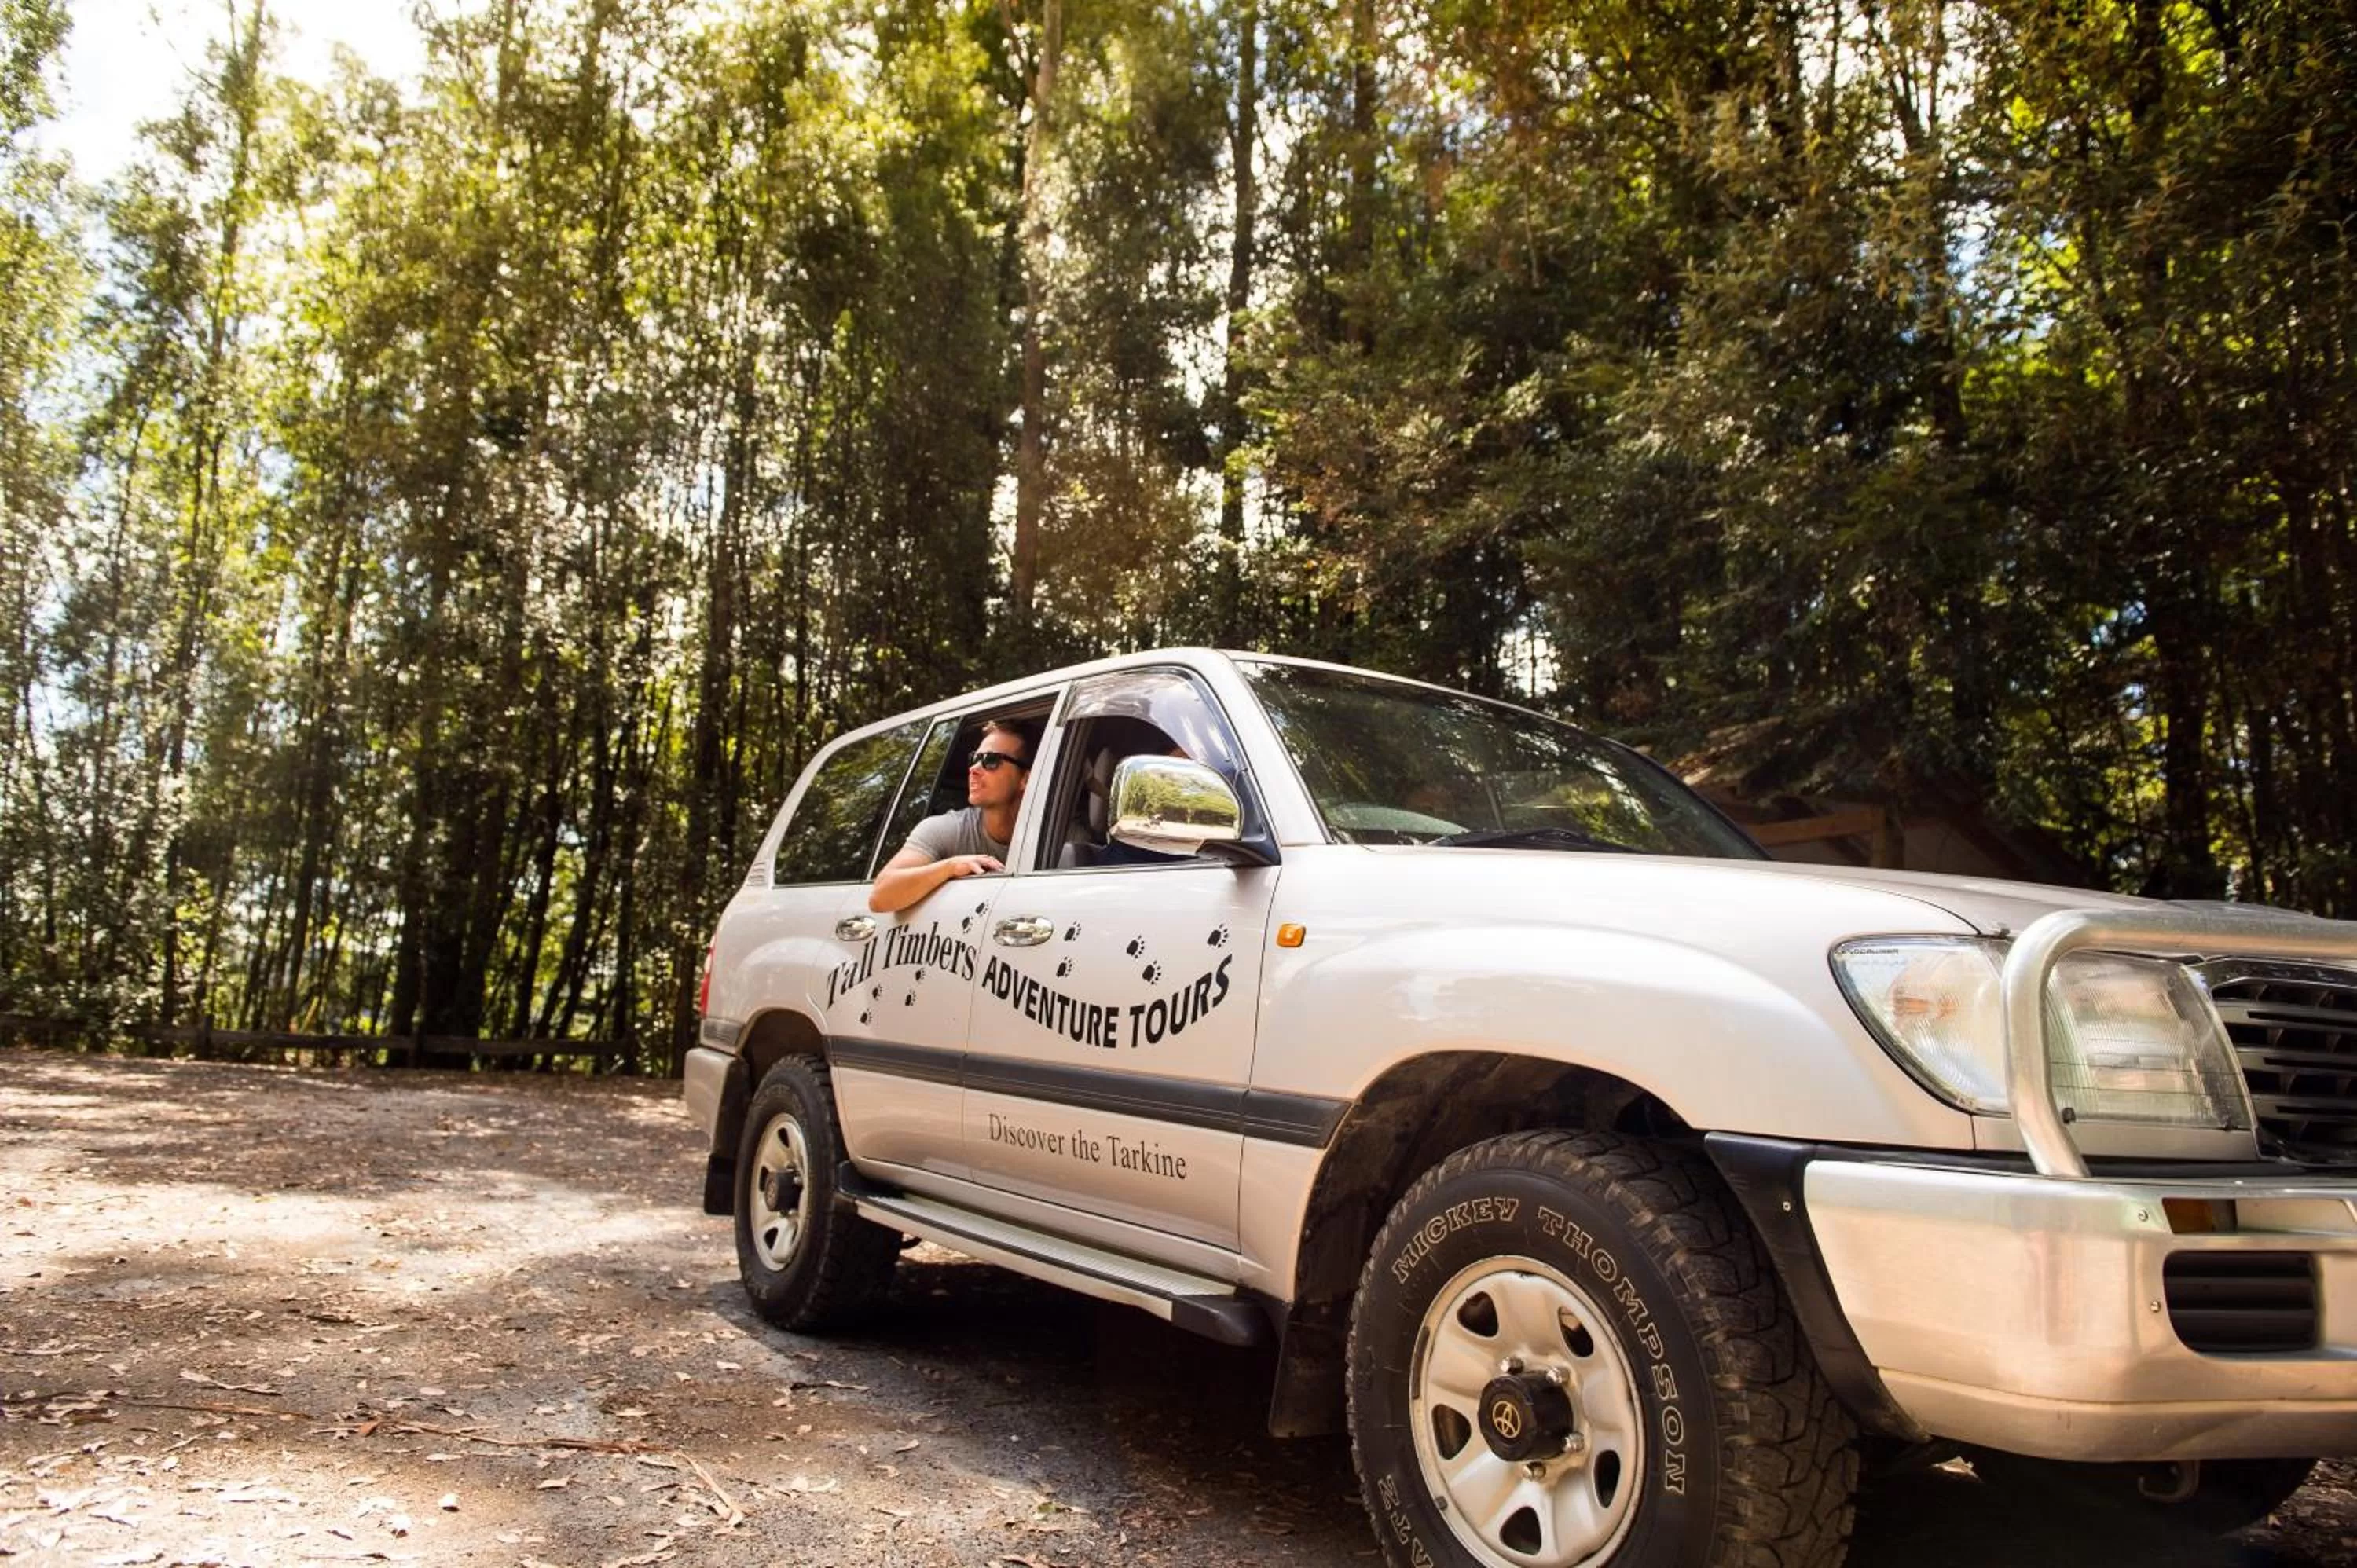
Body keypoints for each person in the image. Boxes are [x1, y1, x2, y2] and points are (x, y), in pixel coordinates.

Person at [869, 720, 1035, 914]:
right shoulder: (946, 829)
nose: (974, 769)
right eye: (974, 759)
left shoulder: (1063, 835)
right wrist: (951, 868)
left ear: (1025, 779)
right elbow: (879, 896)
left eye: (991, 760)